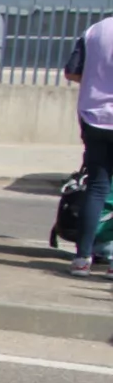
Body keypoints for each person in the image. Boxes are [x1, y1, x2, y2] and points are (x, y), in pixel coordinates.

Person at [65, 14, 113, 277]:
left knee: (96, 188)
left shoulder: (95, 30)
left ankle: (82, 258)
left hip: (94, 117)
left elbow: (72, 70)